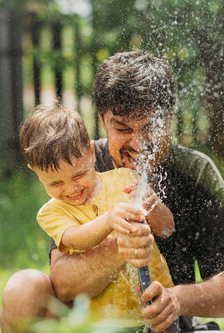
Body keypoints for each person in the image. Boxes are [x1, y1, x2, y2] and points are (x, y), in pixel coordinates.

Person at [0, 51, 224, 333]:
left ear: (168, 120)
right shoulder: (80, 169)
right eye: (122, 128)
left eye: (148, 128)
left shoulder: (194, 172)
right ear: (102, 119)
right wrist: (118, 247)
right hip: (94, 326)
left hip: (166, 327)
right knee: (24, 288)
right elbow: (63, 285)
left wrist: (177, 299)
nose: (137, 143)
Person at [19, 104, 175, 329]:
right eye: (56, 183)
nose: (71, 189)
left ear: (92, 152)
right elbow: (74, 238)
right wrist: (109, 220)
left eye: (79, 174)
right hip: (103, 322)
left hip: (157, 304)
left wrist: (154, 207)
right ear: (34, 171)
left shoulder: (124, 179)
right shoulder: (52, 212)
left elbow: (166, 229)